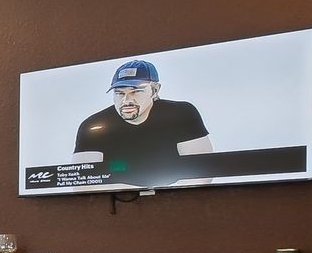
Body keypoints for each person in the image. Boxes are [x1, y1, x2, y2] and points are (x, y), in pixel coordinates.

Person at [70, 59, 212, 186]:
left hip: (178, 203)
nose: (126, 101)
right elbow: (83, 183)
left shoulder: (180, 115)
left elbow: (202, 172)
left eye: (136, 91)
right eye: (119, 93)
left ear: (155, 90)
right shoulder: (93, 127)